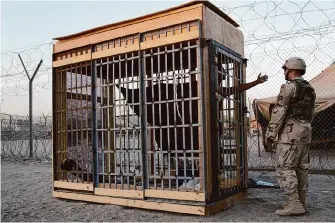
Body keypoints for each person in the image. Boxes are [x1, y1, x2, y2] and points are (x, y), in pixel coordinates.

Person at [265, 57, 316, 216]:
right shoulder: (310, 88)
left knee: (285, 167)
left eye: (285, 69)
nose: (284, 72)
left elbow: (279, 111)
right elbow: (311, 113)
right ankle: (301, 202)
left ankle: (294, 204)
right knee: (301, 168)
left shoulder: (289, 87)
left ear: (292, 69)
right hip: (305, 131)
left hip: (290, 133)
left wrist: (271, 134)